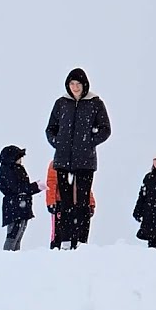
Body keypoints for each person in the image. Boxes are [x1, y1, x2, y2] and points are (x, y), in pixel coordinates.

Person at [45, 67, 111, 249]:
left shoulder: (95, 103)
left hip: (85, 163)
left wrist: (89, 142)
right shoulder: (61, 103)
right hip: (63, 162)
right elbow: (50, 128)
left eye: (78, 84)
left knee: (82, 203)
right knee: (65, 204)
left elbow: (106, 129)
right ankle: (65, 241)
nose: (75, 87)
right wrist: (57, 142)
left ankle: (81, 242)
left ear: (84, 85)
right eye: (71, 84)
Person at [0, 145, 46, 251]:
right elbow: (18, 188)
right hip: (15, 206)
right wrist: (35, 187)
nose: (20, 160)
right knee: (13, 235)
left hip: (20, 206)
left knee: (18, 235)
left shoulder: (15, 169)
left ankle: (15, 256)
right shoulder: (9, 170)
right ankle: (8, 256)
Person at [45, 159, 96, 249]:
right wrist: (51, 202)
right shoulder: (57, 163)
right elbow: (51, 184)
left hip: (79, 203)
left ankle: (78, 249)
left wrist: (90, 203)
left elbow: (86, 187)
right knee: (60, 232)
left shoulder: (79, 163)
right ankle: (58, 249)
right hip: (61, 203)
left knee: (80, 232)